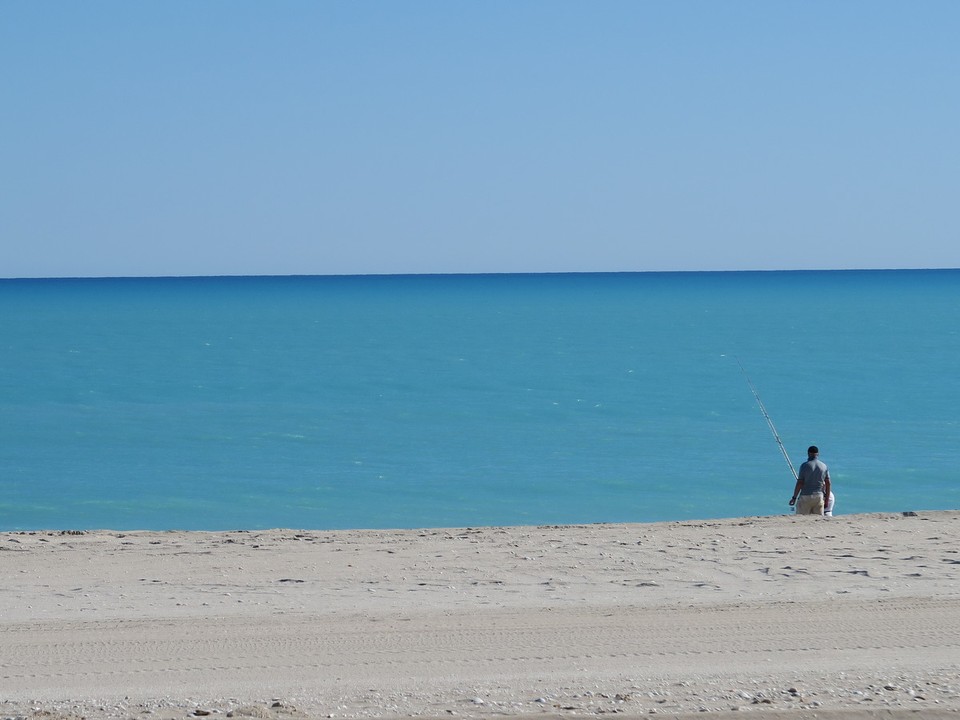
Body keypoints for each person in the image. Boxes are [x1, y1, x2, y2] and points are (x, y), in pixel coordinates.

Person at [789, 445, 831, 515]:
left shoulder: (804, 466)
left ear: (808, 453)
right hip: (819, 496)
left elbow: (800, 483)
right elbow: (828, 483)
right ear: (818, 454)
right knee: (818, 519)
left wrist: (794, 497)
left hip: (805, 496)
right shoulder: (824, 466)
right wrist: (826, 500)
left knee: (801, 518)